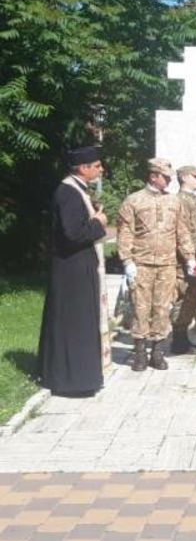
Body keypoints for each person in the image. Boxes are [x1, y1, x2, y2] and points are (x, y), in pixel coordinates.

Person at [37, 146, 109, 396]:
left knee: (77, 321)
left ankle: (75, 374)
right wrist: (98, 224)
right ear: (83, 168)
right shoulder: (68, 192)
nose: (101, 169)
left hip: (76, 266)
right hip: (72, 269)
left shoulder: (76, 189)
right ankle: (74, 380)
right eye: (97, 165)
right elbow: (72, 234)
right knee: (75, 322)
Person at [117, 158, 195, 372]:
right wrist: (127, 261)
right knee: (140, 308)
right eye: (165, 177)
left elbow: (182, 231)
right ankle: (140, 353)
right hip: (141, 263)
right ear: (153, 176)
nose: (169, 181)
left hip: (167, 264)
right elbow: (125, 233)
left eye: (170, 177)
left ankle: (158, 352)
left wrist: (189, 258)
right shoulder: (133, 201)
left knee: (162, 308)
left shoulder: (174, 202)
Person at [171, 165, 196, 353]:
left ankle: (182, 338)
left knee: (193, 297)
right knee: (182, 297)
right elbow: (181, 233)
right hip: (183, 260)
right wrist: (188, 259)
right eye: (195, 177)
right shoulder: (176, 201)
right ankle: (177, 339)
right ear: (184, 177)